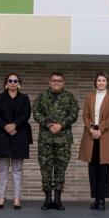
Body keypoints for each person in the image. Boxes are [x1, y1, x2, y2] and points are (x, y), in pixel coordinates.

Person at [33, 71, 79, 210]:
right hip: (45, 140)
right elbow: (35, 112)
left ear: (63, 82)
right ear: (49, 82)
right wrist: (48, 124)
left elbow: (74, 114)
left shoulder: (69, 97)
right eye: (54, 80)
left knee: (60, 170)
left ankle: (58, 199)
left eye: (59, 80)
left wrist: (61, 124)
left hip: (63, 140)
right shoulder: (42, 97)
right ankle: (47, 199)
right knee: (46, 169)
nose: (56, 82)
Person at [0, 72, 32, 210]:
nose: (12, 83)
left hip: (20, 135)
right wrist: (6, 126)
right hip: (1, 135)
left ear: (19, 83)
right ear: (6, 83)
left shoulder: (24, 98)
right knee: (2, 169)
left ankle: (17, 198)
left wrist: (14, 125)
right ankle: (1, 198)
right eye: (10, 80)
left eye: (15, 81)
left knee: (17, 169)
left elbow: (27, 114)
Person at [78, 72, 109, 211]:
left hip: (105, 135)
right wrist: (91, 129)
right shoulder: (90, 96)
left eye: (103, 80)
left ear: (107, 82)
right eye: (99, 80)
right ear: (95, 82)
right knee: (93, 169)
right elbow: (86, 115)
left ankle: (101, 200)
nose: (101, 82)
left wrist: (99, 129)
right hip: (91, 136)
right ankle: (95, 199)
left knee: (104, 170)